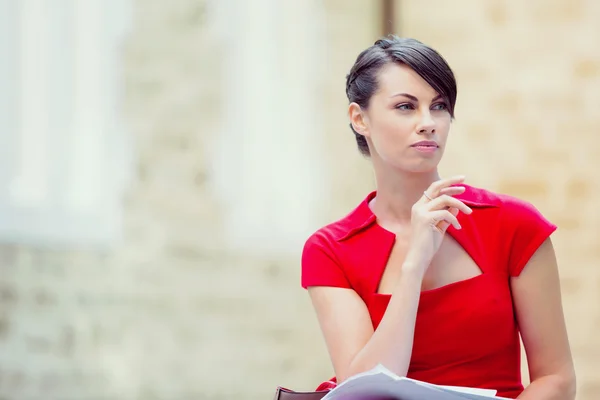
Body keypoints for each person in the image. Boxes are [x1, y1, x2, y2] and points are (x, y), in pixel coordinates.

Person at [301, 36, 576, 399]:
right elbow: (363, 391)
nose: (428, 123)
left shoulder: (513, 225)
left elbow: (556, 378)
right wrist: (413, 265)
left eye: (440, 106)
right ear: (359, 118)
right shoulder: (330, 250)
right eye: (405, 106)